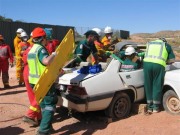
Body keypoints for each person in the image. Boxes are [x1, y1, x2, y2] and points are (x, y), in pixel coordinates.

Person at [27, 27, 57, 135]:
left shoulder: (32, 49)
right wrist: (53, 54)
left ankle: (48, 127)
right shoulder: (41, 49)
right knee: (50, 104)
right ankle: (43, 131)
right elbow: (45, 61)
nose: (47, 40)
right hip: (43, 81)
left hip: (34, 82)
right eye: (45, 38)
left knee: (44, 105)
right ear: (42, 38)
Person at [143, 37, 175, 114]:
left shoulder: (149, 44)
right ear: (164, 41)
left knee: (148, 85)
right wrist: (166, 61)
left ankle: (149, 107)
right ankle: (156, 107)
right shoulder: (166, 45)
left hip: (146, 64)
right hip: (158, 65)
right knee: (156, 85)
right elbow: (172, 60)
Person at [20, 32, 41, 126]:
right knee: (40, 96)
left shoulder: (28, 48)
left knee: (32, 97)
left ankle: (39, 118)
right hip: (33, 73)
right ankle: (30, 115)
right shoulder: (37, 49)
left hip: (26, 72)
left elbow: (24, 59)